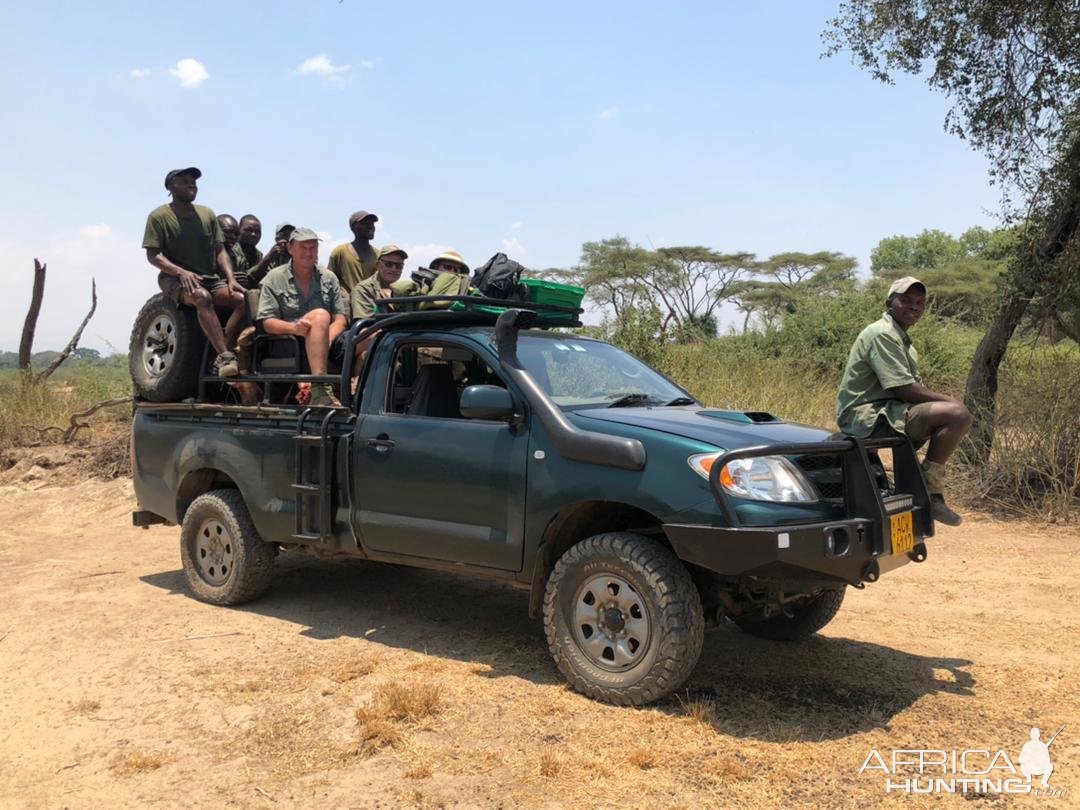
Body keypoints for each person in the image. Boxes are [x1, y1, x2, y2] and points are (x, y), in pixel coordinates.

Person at [837, 277, 973, 526]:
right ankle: (931, 492)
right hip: (864, 417)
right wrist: (954, 402)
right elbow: (903, 389)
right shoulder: (882, 333)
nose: (915, 307)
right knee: (958, 415)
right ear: (889, 303)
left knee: (953, 414)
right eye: (907, 300)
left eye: (920, 302)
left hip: (887, 412)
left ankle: (918, 485)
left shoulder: (904, 342)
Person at [143, 167, 246, 377]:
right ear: (170, 187)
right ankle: (227, 357)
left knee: (243, 299)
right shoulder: (159, 216)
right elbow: (153, 255)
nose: (192, 185)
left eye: (194, 182)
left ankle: (222, 354)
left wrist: (230, 278)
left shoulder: (206, 214)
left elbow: (220, 249)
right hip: (175, 278)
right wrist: (180, 272)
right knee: (201, 297)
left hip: (209, 277)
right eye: (185, 181)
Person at [256, 227, 348, 407]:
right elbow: (266, 322)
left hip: (327, 338)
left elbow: (340, 320)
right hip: (289, 341)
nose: (309, 253)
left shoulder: (329, 278)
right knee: (321, 315)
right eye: (303, 248)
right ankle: (320, 390)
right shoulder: (274, 278)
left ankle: (368, 397)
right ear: (290, 249)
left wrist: (326, 337)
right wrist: (294, 328)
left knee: (372, 335)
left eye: (313, 248)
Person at [350, 245, 423, 319]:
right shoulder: (364, 290)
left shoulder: (406, 290)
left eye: (399, 265)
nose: (394, 269)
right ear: (378, 265)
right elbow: (365, 328)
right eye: (388, 264)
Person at [328, 210, 379, 293]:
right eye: (365, 223)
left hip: (370, 303)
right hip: (345, 304)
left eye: (372, 223)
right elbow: (329, 281)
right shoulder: (340, 252)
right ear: (354, 227)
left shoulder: (378, 255)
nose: (371, 226)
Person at [245, 221, 294, 287]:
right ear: (277, 239)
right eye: (285, 235)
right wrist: (269, 256)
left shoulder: (300, 257)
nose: (288, 239)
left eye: (292, 236)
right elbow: (251, 277)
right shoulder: (271, 259)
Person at [233, 214, 264, 289]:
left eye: (257, 231)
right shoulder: (231, 250)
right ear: (238, 230)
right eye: (248, 230)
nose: (253, 234)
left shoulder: (259, 255)